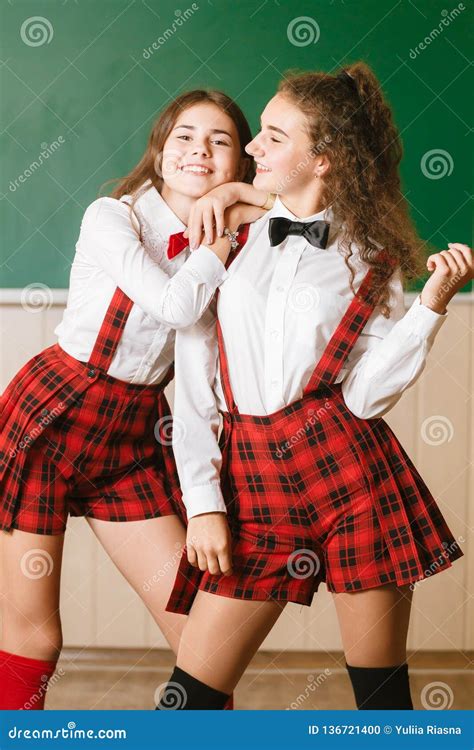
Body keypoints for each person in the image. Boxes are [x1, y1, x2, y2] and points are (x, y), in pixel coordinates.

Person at [158, 63, 470, 710]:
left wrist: (430, 307)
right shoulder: (228, 230)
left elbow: (362, 400)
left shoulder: (373, 257)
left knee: (381, 703)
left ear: (323, 160)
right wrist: (203, 502)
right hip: (251, 477)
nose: (249, 148)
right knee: (189, 700)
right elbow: (193, 378)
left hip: (350, 472)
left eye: (273, 137)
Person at [0, 88, 267, 710]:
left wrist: (229, 202)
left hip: (138, 433)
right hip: (55, 412)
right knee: (36, 630)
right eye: (184, 136)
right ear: (160, 150)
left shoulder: (242, 235)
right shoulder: (112, 217)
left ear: (241, 165)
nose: (198, 150)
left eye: (220, 141)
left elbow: (317, 201)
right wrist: (217, 244)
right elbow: (175, 303)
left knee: (201, 634)